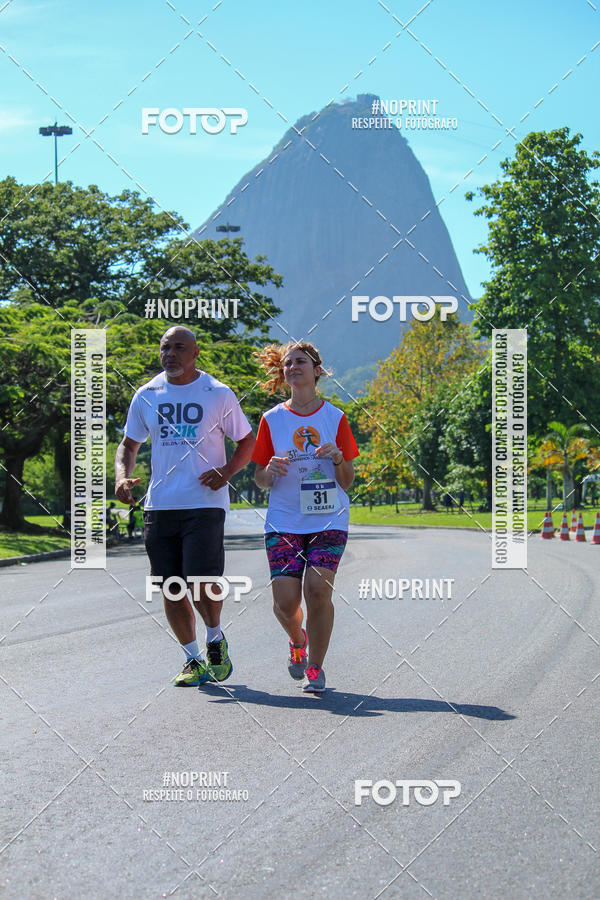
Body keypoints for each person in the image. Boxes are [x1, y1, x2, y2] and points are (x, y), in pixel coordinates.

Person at [114, 326, 255, 686]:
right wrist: (120, 476)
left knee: (200, 579)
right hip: (160, 505)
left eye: (179, 347)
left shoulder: (218, 393)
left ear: (195, 353)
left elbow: (247, 441)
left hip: (204, 502)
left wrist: (227, 471)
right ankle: (193, 659)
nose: (170, 354)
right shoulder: (147, 394)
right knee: (170, 585)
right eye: (165, 348)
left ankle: (215, 637)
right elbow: (129, 446)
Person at [252, 341, 359, 693]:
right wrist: (270, 470)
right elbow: (260, 480)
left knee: (316, 590)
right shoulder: (272, 419)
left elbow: (347, 482)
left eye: (301, 361)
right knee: (284, 602)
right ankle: (298, 641)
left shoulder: (335, 417)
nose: (293, 367)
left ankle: (315, 668)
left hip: (328, 519)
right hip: (284, 520)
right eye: (287, 363)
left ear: (317, 370)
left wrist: (339, 459)